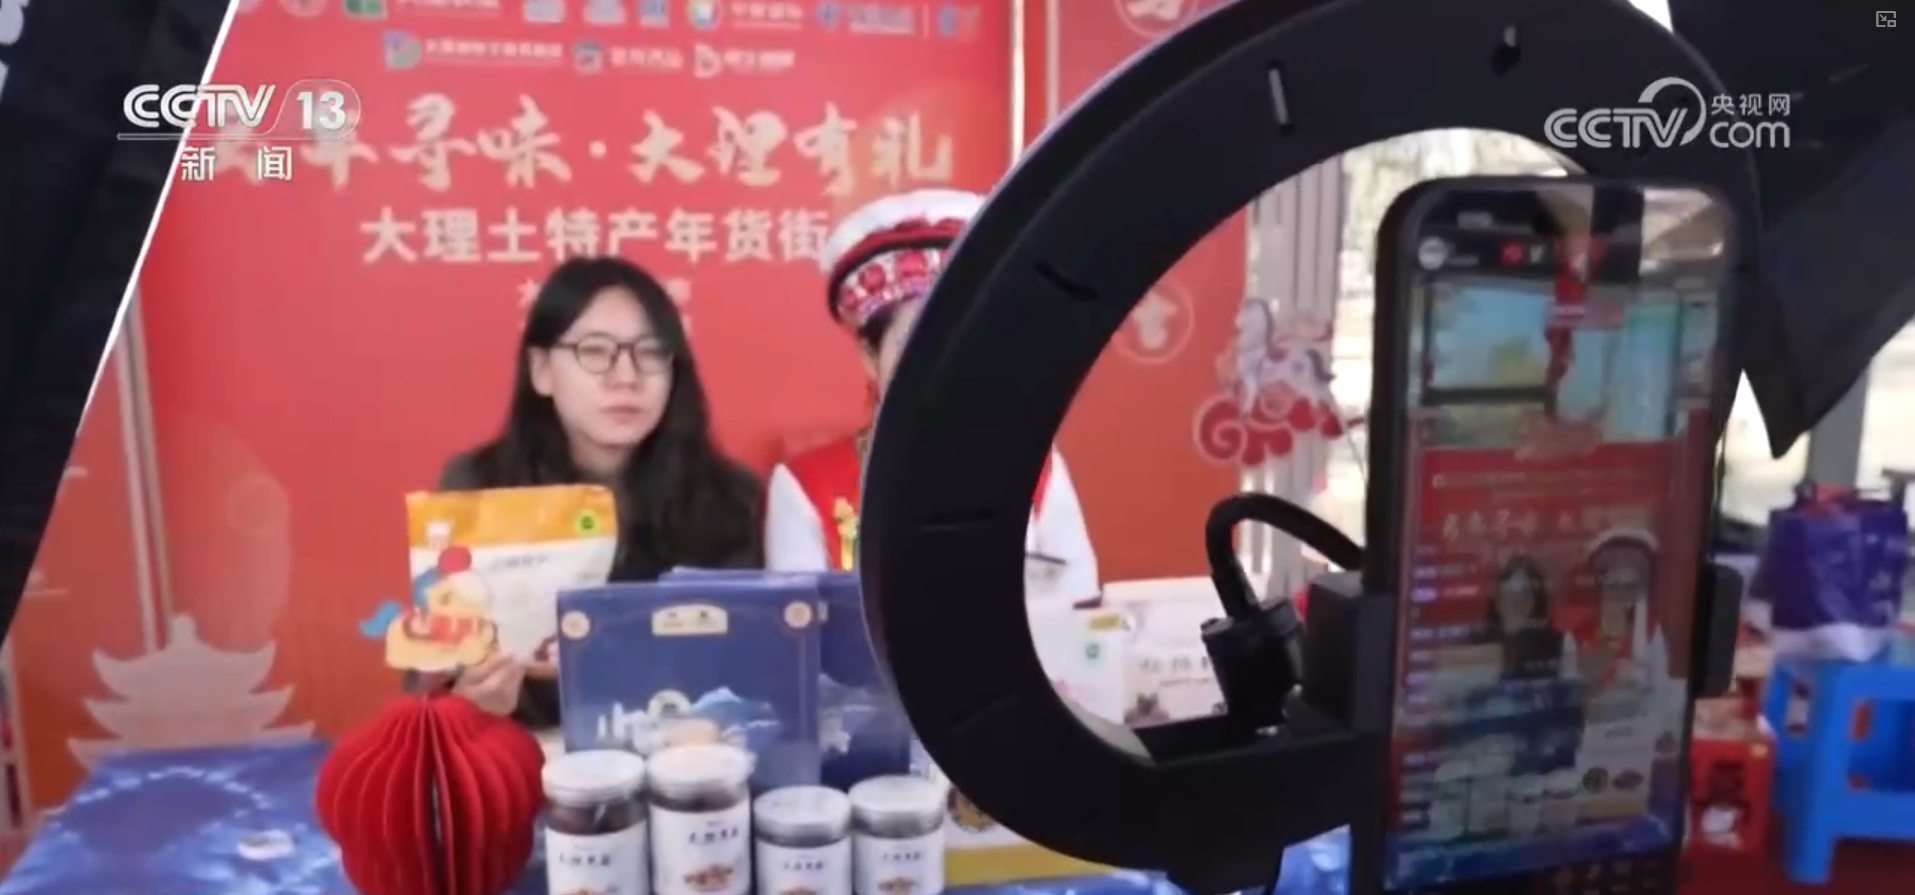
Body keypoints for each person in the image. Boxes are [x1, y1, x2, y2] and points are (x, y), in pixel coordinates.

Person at [436, 257, 764, 725]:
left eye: (650, 353)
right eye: (594, 351)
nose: (626, 376)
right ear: (542, 369)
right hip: (527, 755)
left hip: (687, 754)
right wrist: (468, 703)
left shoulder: (732, 500)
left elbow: (754, 675)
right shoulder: (477, 490)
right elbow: (435, 686)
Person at [763, 189, 1101, 604]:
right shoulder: (806, 488)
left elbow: (1081, 615)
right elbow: (797, 629)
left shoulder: (1039, 471)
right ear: (870, 357)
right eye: (915, 342)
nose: (943, 361)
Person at [1483, 554, 1577, 681]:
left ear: (1536, 600)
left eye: (1524, 595)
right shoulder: (1481, 641)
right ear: (1496, 600)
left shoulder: (1560, 642)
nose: (1516, 602)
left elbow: (1569, 686)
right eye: (1509, 595)